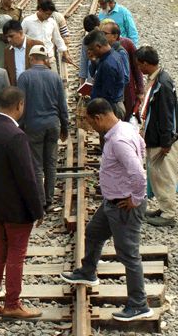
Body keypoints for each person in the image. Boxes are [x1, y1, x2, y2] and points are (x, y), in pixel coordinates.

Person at [61, 98, 153, 322]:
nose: (91, 128)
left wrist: (136, 199)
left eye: (91, 123)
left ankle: (139, 304)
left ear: (99, 117)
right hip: (112, 202)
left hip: (123, 205)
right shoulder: (127, 128)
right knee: (93, 232)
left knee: (128, 255)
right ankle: (87, 272)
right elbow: (142, 148)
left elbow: (139, 173)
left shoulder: (119, 140)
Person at [0, 86, 44, 320]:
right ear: (19, 105)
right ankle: (13, 303)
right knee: (16, 254)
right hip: (16, 209)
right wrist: (37, 208)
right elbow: (28, 177)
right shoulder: (16, 135)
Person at [17, 45, 69, 211]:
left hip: (34, 126)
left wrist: (21, 126)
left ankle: (40, 201)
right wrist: (65, 127)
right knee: (50, 164)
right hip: (53, 125)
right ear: (46, 59)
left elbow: (21, 105)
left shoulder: (25, 77)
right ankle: (49, 199)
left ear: (31, 58)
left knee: (36, 165)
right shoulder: (55, 76)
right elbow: (63, 104)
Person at [135, 46, 178, 227]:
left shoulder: (162, 84)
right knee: (156, 174)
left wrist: (166, 141)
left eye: (140, 65)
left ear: (146, 63)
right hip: (154, 137)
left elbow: (166, 115)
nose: (139, 68)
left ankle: (169, 213)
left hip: (161, 140)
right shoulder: (157, 80)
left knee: (165, 175)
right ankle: (163, 206)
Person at [102, 21, 145, 121]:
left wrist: (140, 90)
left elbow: (136, 69)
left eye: (105, 34)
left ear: (115, 36)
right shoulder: (101, 47)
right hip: (108, 94)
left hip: (127, 91)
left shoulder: (127, 45)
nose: (102, 36)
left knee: (128, 119)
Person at [84, 30, 125, 120]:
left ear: (98, 46)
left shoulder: (108, 64)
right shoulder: (112, 56)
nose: (90, 52)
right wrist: (93, 62)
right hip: (112, 107)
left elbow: (107, 95)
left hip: (110, 110)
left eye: (91, 49)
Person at [21, 0, 74, 67]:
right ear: (40, 10)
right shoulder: (27, 21)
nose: (49, 16)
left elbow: (58, 39)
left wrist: (66, 53)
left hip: (49, 58)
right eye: (47, 14)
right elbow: (21, 37)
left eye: (50, 14)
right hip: (34, 59)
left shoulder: (52, 22)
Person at [3, 19, 45, 86]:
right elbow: (7, 72)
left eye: (11, 36)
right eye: (7, 37)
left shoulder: (36, 45)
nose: (9, 40)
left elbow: (45, 67)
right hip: (17, 90)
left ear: (20, 33)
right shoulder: (7, 51)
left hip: (35, 87)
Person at [78, 14, 101, 85]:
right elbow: (84, 60)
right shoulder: (87, 40)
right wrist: (82, 83)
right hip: (92, 79)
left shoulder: (105, 38)